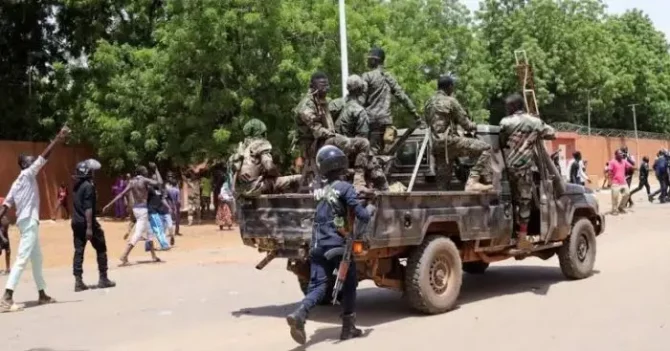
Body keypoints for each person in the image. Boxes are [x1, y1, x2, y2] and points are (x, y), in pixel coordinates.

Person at [286, 145, 370, 345]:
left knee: (318, 286)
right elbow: (362, 216)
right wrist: (370, 208)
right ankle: (348, 328)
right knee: (349, 284)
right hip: (337, 246)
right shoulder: (345, 187)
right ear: (341, 164)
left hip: (316, 244)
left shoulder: (318, 190)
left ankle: (300, 313)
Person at [0, 125, 69, 312]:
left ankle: (42, 294)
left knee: (37, 259)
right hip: (29, 222)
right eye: (30, 161)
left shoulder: (16, 183)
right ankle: (6, 297)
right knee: (22, 259)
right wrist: (58, 138)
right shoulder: (28, 174)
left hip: (25, 223)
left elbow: (5, 205)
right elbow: (44, 156)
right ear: (24, 164)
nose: (34, 162)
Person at [294, 72, 371, 189]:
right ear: (312, 86)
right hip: (313, 146)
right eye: (322, 85)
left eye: (327, 85)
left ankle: (359, 181)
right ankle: (342, 177)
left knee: (363, 143)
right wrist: (337, 136)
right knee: (345, 142)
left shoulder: (323, 102)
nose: (326, 88)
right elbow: (318, 130)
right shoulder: (306, 105)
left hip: (325, 142)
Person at [499, 94, 555, 250]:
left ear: (512, 107)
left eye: (508, 107)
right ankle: (522, 238)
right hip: (524, 169)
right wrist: (536, 129)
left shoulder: (505, 122)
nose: (507, 109)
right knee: (525, 202)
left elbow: (502, 142)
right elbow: (551, 133)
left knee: (510, 201)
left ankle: (510, 233)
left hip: (507, 169)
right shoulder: (534, 122)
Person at [424, 75, 493, 192]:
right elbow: (466, 124)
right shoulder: (451, 101)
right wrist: (475, 125)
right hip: (451, 142)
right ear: (450, 87)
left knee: (442, 184)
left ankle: (442, 204)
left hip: (437, 146)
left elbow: (430, 122)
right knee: (486, 149)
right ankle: (473, 181)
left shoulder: (428, 103)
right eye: (453, 87)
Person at [362, 47, 422, 153]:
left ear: (374, 60)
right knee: (381, 150)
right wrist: (415, 114)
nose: (367, 61)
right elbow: (402, 97)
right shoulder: (388, 77)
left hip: (371, 121)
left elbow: (360, 99)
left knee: (371, 152)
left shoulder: (367, 76)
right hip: (386, 122)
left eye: (369, 59)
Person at [336, 74, 389, 190]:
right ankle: (385, 196)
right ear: (361, 90)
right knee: (378, 173)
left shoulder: (335, 105)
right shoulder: (360, 111)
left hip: (334, 148)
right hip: (351, 152)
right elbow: (362, 140)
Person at [102, 165, 162, 266]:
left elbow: (121, 194)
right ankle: (124, 255)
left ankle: (153, 256)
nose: (147, 171)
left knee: (149, 232)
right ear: (142, 172)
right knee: (138, 234)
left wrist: (109, 205)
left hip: (136, 209)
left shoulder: (132, 182)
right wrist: (156, 169)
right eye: (145, 170)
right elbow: (159, 183)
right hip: (143, 209)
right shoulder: (144, 180)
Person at [71, 159, 116, 292]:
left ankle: (78, 282)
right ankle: (103, 278)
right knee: (101, 247)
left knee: (79, 251)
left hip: (76, 222)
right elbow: (88, 208)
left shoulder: (76, 186)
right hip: (86, 222)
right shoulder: (88, 186)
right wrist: (90, 227)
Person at [230, 119, 302, 197]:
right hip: (256, 187)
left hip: (241, 190)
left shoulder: (241, 148)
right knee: (299, 178)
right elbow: (270, 167)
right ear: (262, 133)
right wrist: (276, 174)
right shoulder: (260, 144)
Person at [607, 150, 635, 214]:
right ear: (616, 155)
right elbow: (609, 171)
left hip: (623, 182)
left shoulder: (624, 161)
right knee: (615, 197)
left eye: (622, 153)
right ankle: (614, 210)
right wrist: (610, 181)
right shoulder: (612, 162)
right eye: (620, 153)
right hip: (615, 182)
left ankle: (621, 207)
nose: (622, 154)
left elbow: (631, 166)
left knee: (627, 194)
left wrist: (632, 168)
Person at [165, 172, 182, 238]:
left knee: (175, 218)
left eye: (171, 176)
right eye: (169, 176)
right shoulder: (166, 185)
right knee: (171, 218)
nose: (170, 177)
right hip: (171, 204)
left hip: (171, 204)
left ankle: (175, 232)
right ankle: (172, 232)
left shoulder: (172, 186)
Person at [0, 203, 10, 275]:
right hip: (1, 237)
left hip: (5, 236)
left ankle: (8, 268)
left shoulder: (5, 218)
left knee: (8, 251)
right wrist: (3, 238)